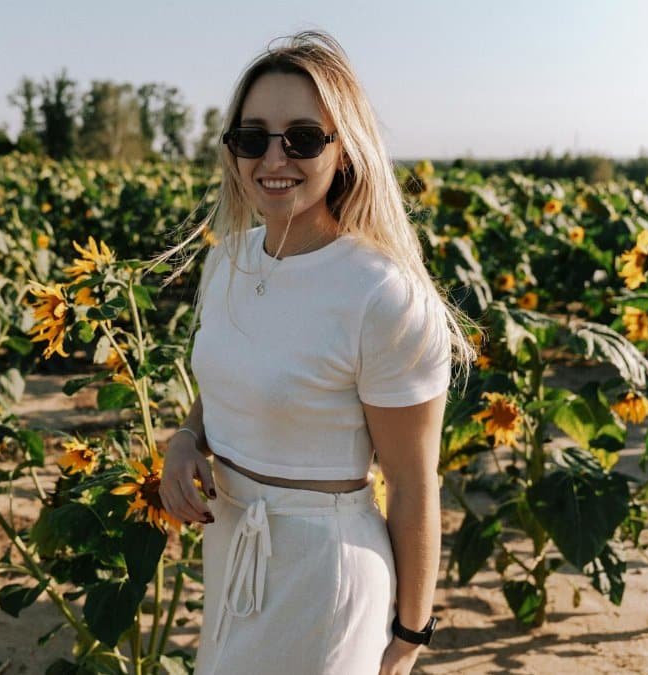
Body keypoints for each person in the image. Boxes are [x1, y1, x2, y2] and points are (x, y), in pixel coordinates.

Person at [151, 31, 478, 674]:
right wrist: (187, 441)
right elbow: (228, 388)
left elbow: (413, 486)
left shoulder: (381, 296)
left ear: (345, 149)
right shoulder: (230, 260)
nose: (275, 157)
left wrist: (410, 635)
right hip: (232, 550)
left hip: (323, 571)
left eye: (302, 137)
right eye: (253, 137)